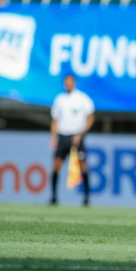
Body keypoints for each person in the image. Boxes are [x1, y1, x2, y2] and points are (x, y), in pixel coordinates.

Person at [50, 74, 95, 207]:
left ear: (74, 83)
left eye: (70, 82)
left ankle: (86, 198)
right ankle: (53, 197)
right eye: (66, 82)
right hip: (63, 136)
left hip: (76, 136)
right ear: (64, 83)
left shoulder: (82, 99)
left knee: (83, 166)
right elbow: (55, 119)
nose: (68, 84)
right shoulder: (59, 99)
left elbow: (91, 117)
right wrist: (53, 136)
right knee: (57, 165)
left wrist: (81, 133)